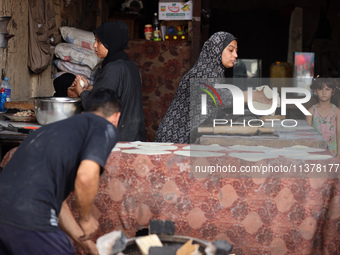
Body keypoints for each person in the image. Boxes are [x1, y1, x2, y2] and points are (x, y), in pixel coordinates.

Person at [0, 88, 121, 255]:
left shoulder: (48, 130)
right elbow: (86, 176)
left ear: (85, 112)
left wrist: (85, 244)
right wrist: (85, 219)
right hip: (31, 219)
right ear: (116, 117)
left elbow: (58, 202)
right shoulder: (104, 126)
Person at [154, 32, 271, 144]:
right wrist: (255, 95)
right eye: (231, 50)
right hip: (173, 140)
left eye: (236, 51)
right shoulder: (200, 73)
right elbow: (217, 96)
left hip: (188, 139)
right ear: (216, 50)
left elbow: (216, 109)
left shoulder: (215, 75)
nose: (235, 55)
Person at [69, 20, 146, 142]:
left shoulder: (113, 68)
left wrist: (81, 92)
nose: (94, 45)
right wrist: (89, 87)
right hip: (135, 134)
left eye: (98, 41)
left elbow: (98, 104)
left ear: (111, 42)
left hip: (121, 138)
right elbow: (115, 92)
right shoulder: (129, 65)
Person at [306, 77, 340, 159]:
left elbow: (339, 134)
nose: (324, 92)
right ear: (315, 91)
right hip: (314, 154)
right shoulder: (311, 111)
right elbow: (307, 136)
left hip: (333, 154)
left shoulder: (336, 112)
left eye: (327, 89)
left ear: (333, 91)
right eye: (320, 89)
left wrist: (339, 156)